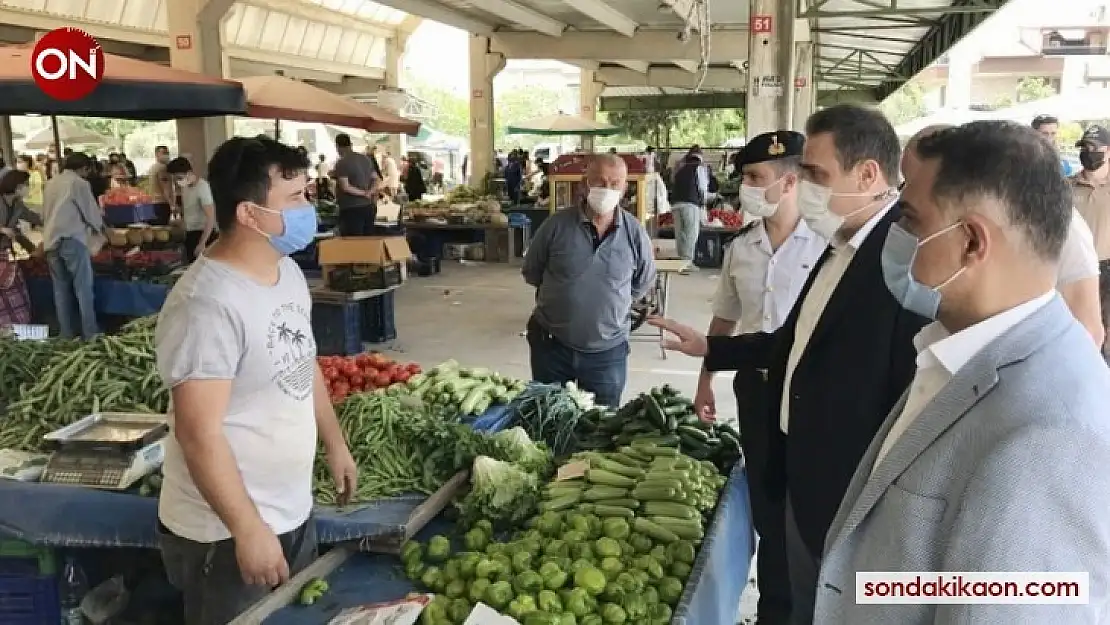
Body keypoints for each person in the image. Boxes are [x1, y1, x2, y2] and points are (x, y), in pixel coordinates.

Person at [817, 120, 1110, 623]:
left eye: (910, 219)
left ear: (972, 242)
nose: (895, 234)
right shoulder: (959, 351)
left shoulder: (1051, 435)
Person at [650, 104, 926, 625]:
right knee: (788, 572)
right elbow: (791, 341)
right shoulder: (842, 245)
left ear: (868, 175)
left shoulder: (899, 261)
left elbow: (906, 389)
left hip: (842, 477)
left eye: (816, 174)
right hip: (794, 447)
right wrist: (711, 350)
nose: (806, 186)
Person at [153, 137, 357, 625]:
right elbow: (197, 433)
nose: (309, 209)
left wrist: (335, 443)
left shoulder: (284, 272)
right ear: (249, 214)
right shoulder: (206, 303)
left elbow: (301, 363)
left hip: (290, 510)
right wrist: (247, 529)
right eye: (296, 198)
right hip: (221, 535)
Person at [696, 131, 826, 625]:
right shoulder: (741, 246)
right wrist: (705, 378)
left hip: (810, 394)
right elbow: (725, 322)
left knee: (808, 507)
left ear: (789, 181)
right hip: (752, 386)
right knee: (768, 505)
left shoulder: (826, 246)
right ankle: (773, 610)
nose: (746, 187)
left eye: (755, 178)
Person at [906, 124, 1105, 345]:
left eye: (911, 216)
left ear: (973, 241)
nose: (901, 228)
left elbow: (1088, 328)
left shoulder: (1060, 222)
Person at [523, 153, 656, 408]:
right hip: (552, 346)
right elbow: (533, 272)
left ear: (624, 187)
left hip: (607, 353)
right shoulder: (555, 226)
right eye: (599, 182)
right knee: (548, 420)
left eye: (615, 183)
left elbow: (642, 282)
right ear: (585, 183)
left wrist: (610, 306)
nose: (607, 189)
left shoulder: (635, 233)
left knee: (602, 427)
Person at [42, 153, 103, 339]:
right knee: (83, 288)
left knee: (60, 290)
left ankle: (66, 333)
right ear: (84, 168)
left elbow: (44, 213)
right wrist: (102, 230)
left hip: (51, 240)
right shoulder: (79, 184)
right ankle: (90, 332)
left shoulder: (50, 183)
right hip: (72, 239)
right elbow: (91, 213)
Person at [1071, 124, 1110, 360]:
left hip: (1108, 266)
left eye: (1094, 148)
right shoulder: (1066, 187)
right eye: (1084, 147)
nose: (1088, 152)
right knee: (1083, 328)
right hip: (1079, 270)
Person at [0, 170, 41, 327]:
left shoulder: (17, 205)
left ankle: (15, 325)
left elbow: (33, 217)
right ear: (17, 187)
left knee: (13, 292)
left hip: (5, 253)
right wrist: (2, 229)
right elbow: (8, 230)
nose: (28, 189)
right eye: (26, 185)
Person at [167, 157, 217, 263]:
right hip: (190, 234)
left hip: (203, 234)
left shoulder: (202, 188)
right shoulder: (185, 187)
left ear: (189, 173)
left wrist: (202, 243)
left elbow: (211, 217)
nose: (177, 182)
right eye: (175, 179)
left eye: (179, 178)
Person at [670, 148, 708, 273]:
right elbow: (702, 188)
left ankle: (681, 261)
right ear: (700, 157)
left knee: (680, 233)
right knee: (691, 233)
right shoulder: (699, 168)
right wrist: (704, 204)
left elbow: (672, 184)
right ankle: (687, 262)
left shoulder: (679, 169)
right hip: (690, 204)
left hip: (676, 204)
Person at [332, 134, 378, 236]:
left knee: (353, 243)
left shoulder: (342, 163)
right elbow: (375, 179)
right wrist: (369, 192)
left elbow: (345, 186)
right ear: (351, 144)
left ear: (338, 147)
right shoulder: (365, 159)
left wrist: (363, 193)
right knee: (368, 241)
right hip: (369, 207)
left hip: (351, 208)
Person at [149, 145, 176, 212]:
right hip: (162, 203)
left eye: (167, 153)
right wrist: (172, 205)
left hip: (154, 203)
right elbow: (165, 188)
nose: (166, 155)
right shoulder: (162, 168)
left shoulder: (152, 167)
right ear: (157, 154)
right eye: (164, 153)